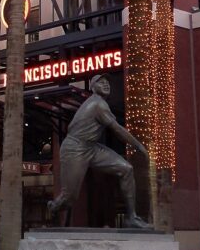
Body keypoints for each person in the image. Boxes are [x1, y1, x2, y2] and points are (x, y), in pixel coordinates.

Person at [47, 75, 151, 228]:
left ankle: (131, 217)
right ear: (93, 88)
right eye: (100, 82)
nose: (106, 84)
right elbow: (117, 129)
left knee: (126, 169)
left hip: (91, 147)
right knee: (69, 198)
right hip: (75, 148)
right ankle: (53, 207)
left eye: (107, 81)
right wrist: (139, 146)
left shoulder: (101, 104)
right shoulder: (97, 104)